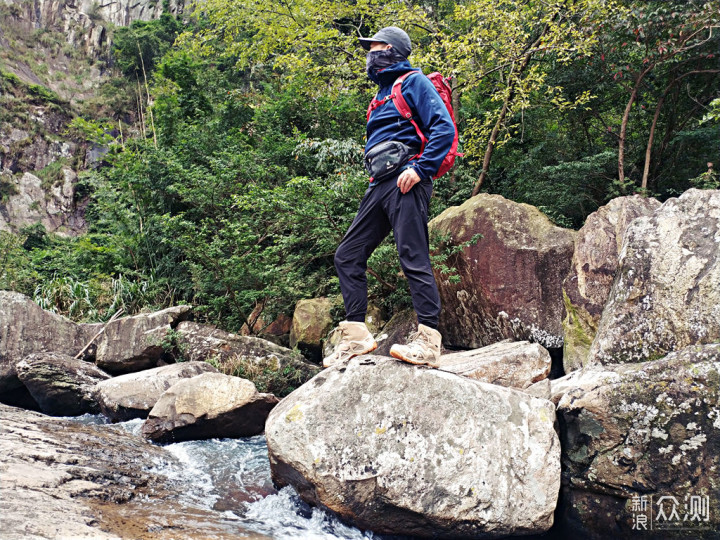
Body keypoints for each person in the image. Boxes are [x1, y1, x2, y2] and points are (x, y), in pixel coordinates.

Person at [324, 27, 455, 369]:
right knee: (347, 255)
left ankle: (428, 342)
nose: (371, 53)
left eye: (377, 46)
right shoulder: (380, 95)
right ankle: (357, 336)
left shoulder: (413, 82)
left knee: (412, 256)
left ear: (394, 50)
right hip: (379, 183)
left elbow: (444, 128)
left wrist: (421, 169)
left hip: (407, 178)